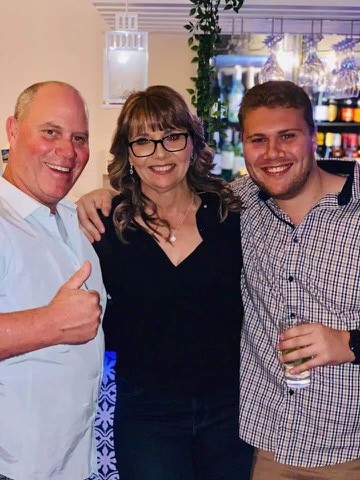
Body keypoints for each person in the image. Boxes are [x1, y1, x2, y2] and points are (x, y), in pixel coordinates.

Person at [76, 85, 253, 480]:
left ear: (192, 143)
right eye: (144, 141)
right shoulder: (104, 226)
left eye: (172, 137)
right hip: (146, 413)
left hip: (229, 408)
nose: (159, 153)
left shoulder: (231, 215)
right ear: (128, 153)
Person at [233, 80, 360, 479]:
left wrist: (348, 342)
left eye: (287, 136)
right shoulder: (238, 204)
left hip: (350, 451)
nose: (272, 154)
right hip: (267, 449)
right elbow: (167, 198)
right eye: (258, 140)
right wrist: (103, 196)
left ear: (313, 138)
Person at [0, 81, 105, 480]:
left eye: (79, 138)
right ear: (13, 130)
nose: (67, 151)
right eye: (50, 132)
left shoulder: (76, 217)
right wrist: (48, 324)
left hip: (73, 462)